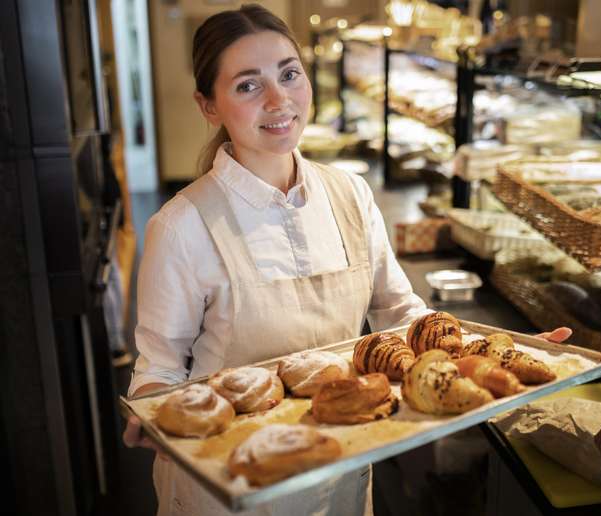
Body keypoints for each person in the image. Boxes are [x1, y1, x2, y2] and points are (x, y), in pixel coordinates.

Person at [122, 5, 571, 516]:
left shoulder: (349, 195)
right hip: (229, 484)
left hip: (340, 465)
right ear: (209, 105)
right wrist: (154, 414)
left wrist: (498, 352)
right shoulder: (182, 226)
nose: (279, 99)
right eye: (248, 85)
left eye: (289, 74)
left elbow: (402, 314)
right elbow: (157, 368)